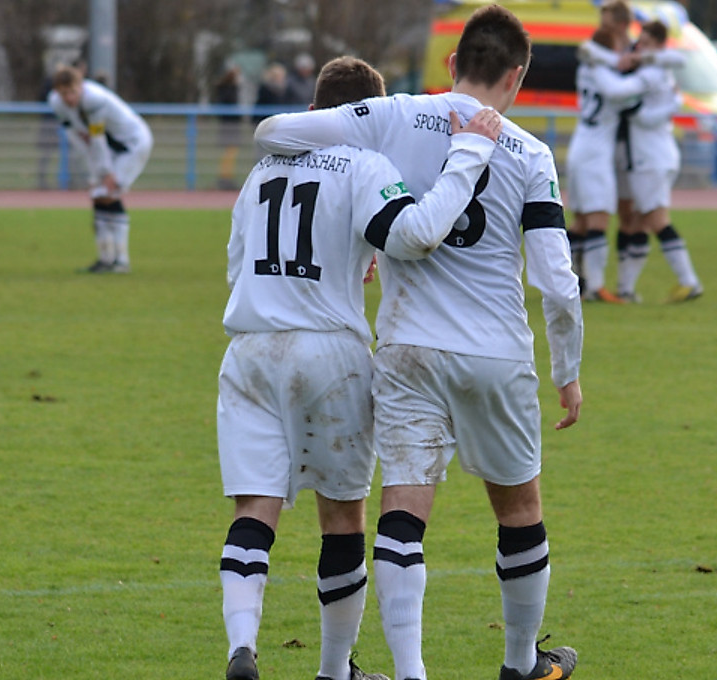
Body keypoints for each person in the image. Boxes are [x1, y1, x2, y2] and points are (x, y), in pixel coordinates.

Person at [256, 6, 583, 680]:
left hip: (408, 348)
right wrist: (567, 370)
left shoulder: (396, 115)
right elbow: (557, 281)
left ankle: (412, 672)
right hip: (497, 353)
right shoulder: (529, 151)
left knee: (404, 513)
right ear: (516, 76)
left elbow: (276, 132)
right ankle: (521, 663)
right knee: (520, 510)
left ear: (453, 63)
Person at [220, 55, 502, 680]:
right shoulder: (365, 162)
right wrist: (468, 155)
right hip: (329, 352)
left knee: (254, 509)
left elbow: (240, 264)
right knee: (342, 517)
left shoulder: (261, 170)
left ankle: (242, 646)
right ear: (367, 114)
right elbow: (415, 235)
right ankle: (333, 670)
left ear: (313, 110)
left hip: (249, 351)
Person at [613, 21, 703, 303]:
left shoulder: (649, 74)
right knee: (638, 221)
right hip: (660, 154)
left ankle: (689, 282)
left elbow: (635, 108)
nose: (640, 47)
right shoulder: (663, 71)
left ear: (659, 45)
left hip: (649, 158)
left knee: (656, 219)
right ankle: (625, 289)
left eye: (646, 43)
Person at [49, 64, 153, 273]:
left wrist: (105, 172)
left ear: (81, 86)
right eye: (64, 93)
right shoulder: (55, 103)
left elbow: (97, 137)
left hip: (132, 145)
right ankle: (105, 259)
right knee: (98, 195)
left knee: (109, 194)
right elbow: (77, 138)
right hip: (109, 148)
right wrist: (94, 172)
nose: (69, 98)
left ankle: (121, 261)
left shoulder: (94, 100)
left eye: (72, 92)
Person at [567, 25, 639, 304]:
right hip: (594, 153)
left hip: (581, 146)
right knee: (598, 218)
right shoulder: (601, 71)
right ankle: (595, 286)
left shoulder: (588, 67)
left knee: (582, 221)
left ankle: (572, 279)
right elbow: (617, 91)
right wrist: (647, 81)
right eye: (620, 44)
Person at [214, 64, 243, 191]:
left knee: (231, 152)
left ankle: (227, 176)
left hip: (230, 124)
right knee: (229, 152)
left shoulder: (227, 88)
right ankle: (225, 178)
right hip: (229, 125)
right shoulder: (229, 89)